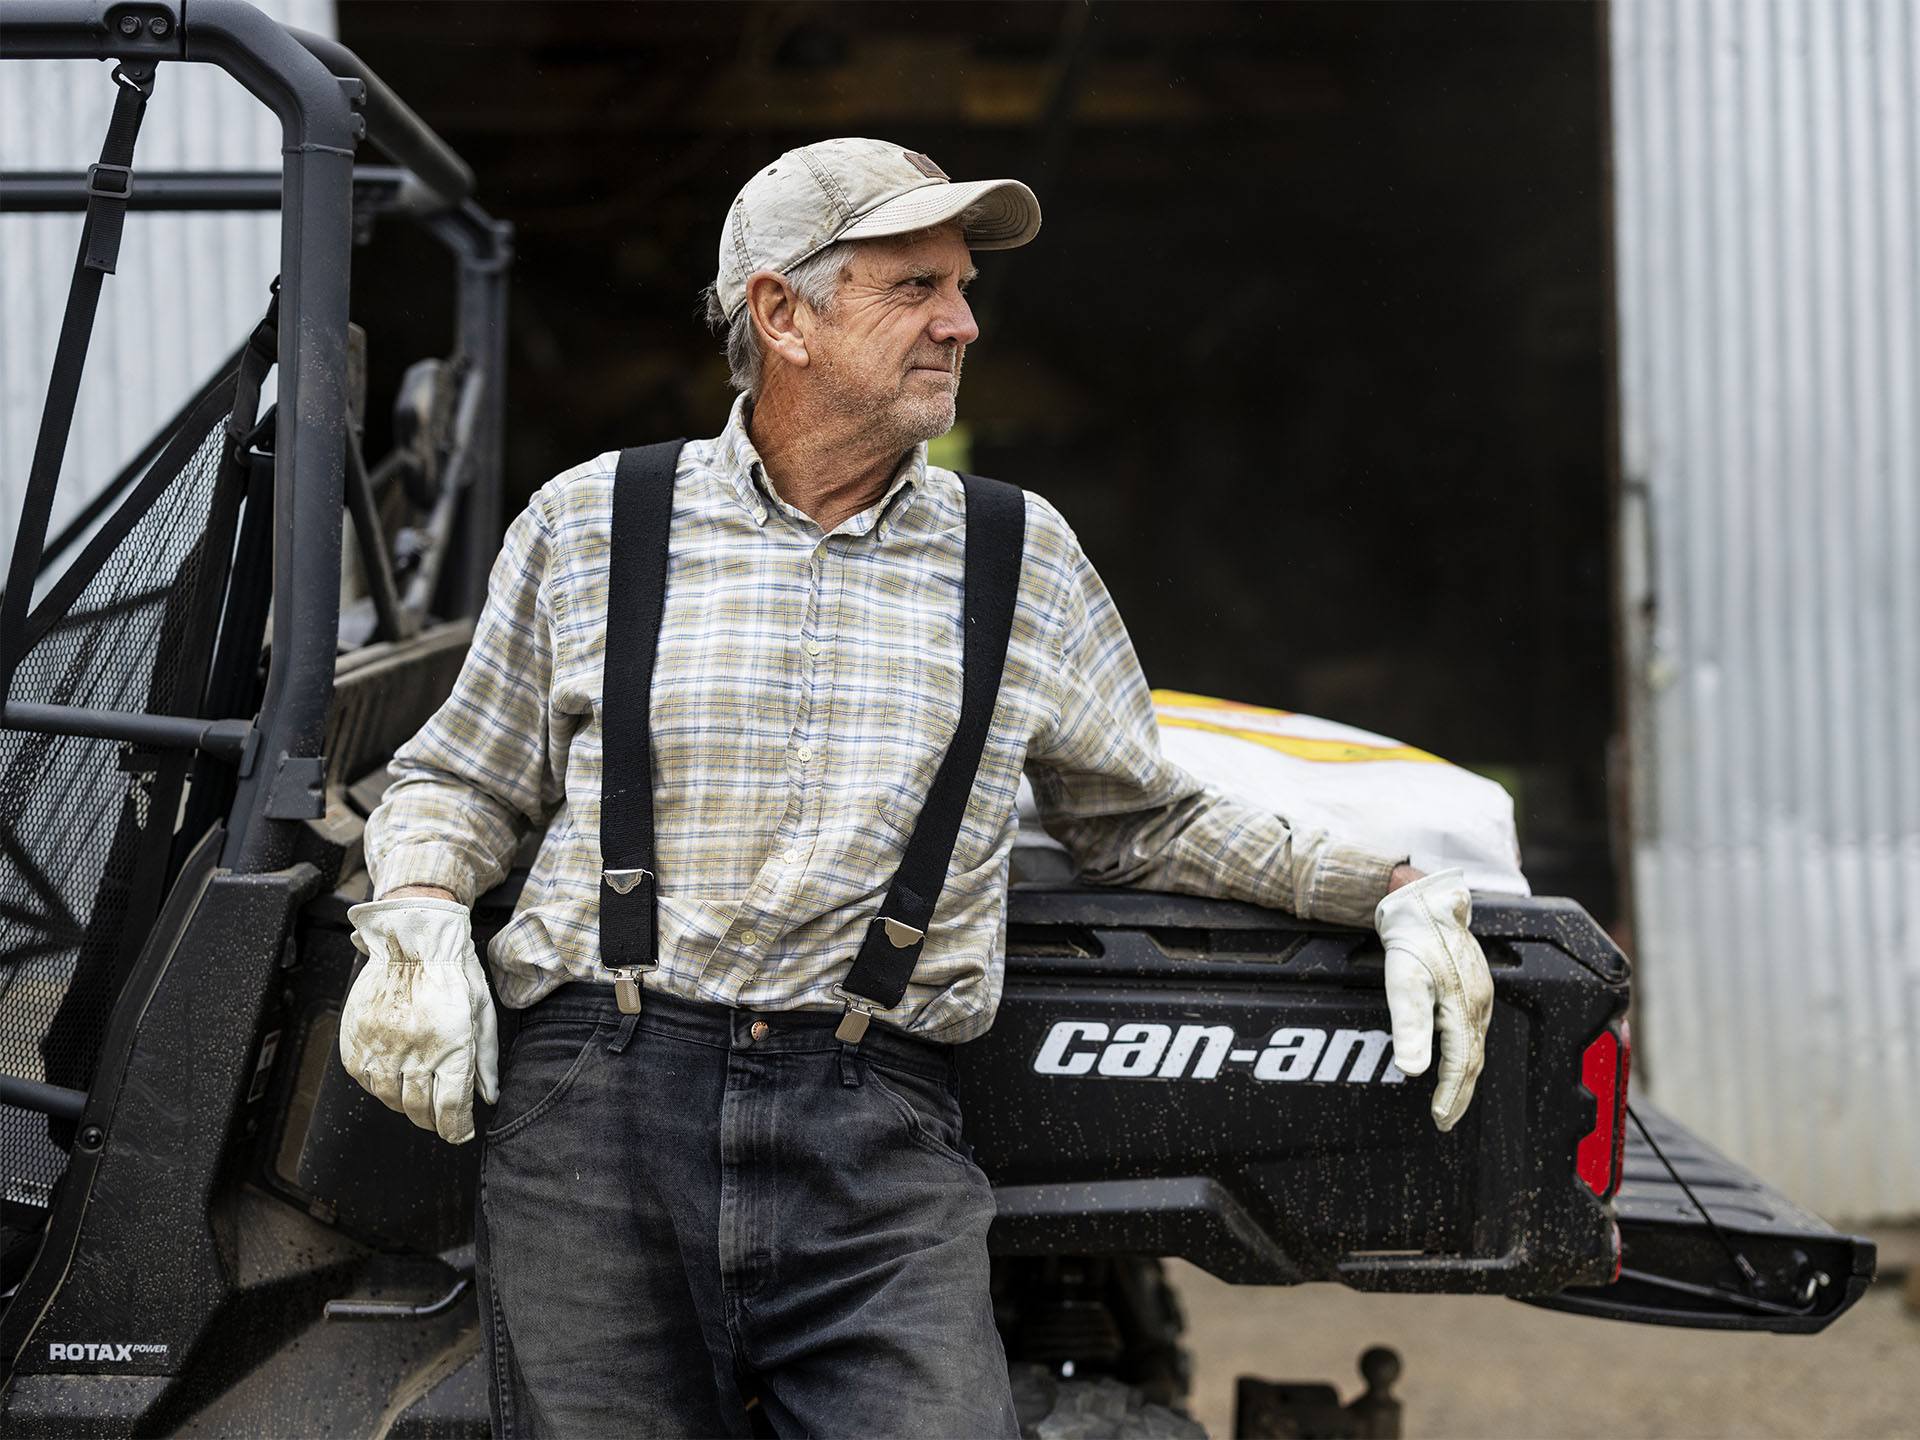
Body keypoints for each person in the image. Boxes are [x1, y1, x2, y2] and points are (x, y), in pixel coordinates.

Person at [342, 136, 1493, 1438]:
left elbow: (1140, 819)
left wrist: (1385, 889)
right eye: (916, 288)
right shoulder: (595, 523)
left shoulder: (1019, 553)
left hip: (870, 1118)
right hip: (597, 1107)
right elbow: (462, 779)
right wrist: (422, 917)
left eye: (961, 286)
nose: (963, 321)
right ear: (783, 313)